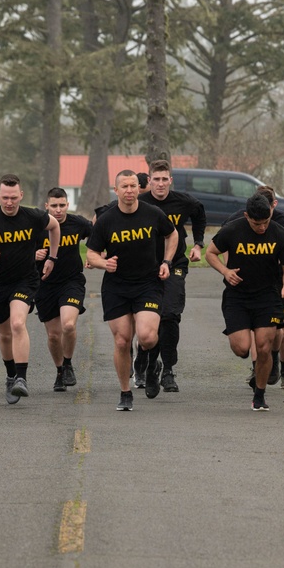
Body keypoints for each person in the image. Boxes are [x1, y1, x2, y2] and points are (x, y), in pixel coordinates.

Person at [86, 169, 177, 411]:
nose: (129, 191)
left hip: (148, 283)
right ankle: (125, 392)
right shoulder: (106, 220)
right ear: (116, 190)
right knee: (122, 340)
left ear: (139, 188)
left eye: (133, 186)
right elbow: (91, 255)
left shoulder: (153, 213)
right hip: (117, 287)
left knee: (147, 337)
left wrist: (166, 262)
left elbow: (173, 234)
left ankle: (151, 363)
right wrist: (105, 263)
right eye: (124, 187)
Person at [0, 175, 60, 404]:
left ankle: (22, 378)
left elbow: (55, 226)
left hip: (25, 281)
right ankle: (10, 376)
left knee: (18, 322)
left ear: (21, 196)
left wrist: (52, 258)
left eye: (13, 198)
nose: (9, 202)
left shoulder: (33, 216)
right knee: (5, 333)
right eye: (5, 198)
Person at [206, 194, 284, 411]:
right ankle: (256, 366)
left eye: (266, 221)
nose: (262, 227)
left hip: (268, 296)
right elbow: (210, 253)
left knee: (264, 347)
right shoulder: (233, 230)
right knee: (242, 348)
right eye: (257, 223)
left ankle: (260, 395)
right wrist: (225, 271)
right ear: (247, 216)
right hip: (237, 297)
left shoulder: (280, 233)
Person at [224, 185, 284, 390]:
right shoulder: (239, 220)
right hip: (248, 286)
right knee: (257, 332)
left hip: (278, 283)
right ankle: (259, 369)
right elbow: (224, 243)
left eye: (268, 213)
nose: (263, 223)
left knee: (281, 331)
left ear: (274, 205)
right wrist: (230, 267)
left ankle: (283, 367)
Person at [133, 159, 206, 394]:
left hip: (175, 264)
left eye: (165, 179)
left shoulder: (183, 202)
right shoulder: (139, 202)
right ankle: (145, 354)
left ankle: (167, 370)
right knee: (150, 318)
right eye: (157, 179)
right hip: (145, 269)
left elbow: (199, 213)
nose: (161, 184)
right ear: (149, 181)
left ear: (170, 181)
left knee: (170, 315)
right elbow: (111, 219)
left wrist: (198, 244)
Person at [34, 187, 92, 392]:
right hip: (45, 284)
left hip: (71, 282)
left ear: (68, 205)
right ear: (46, 206)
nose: (58, 210)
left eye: (62, 206)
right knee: (53, 335)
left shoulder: (77, 223)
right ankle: (59, 371)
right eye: (54, 206)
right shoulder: (37, 225)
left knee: (68, 325)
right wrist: (35, 255)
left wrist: (95, 256)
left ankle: (68, 364)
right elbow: (18, 250)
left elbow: (98, 235)